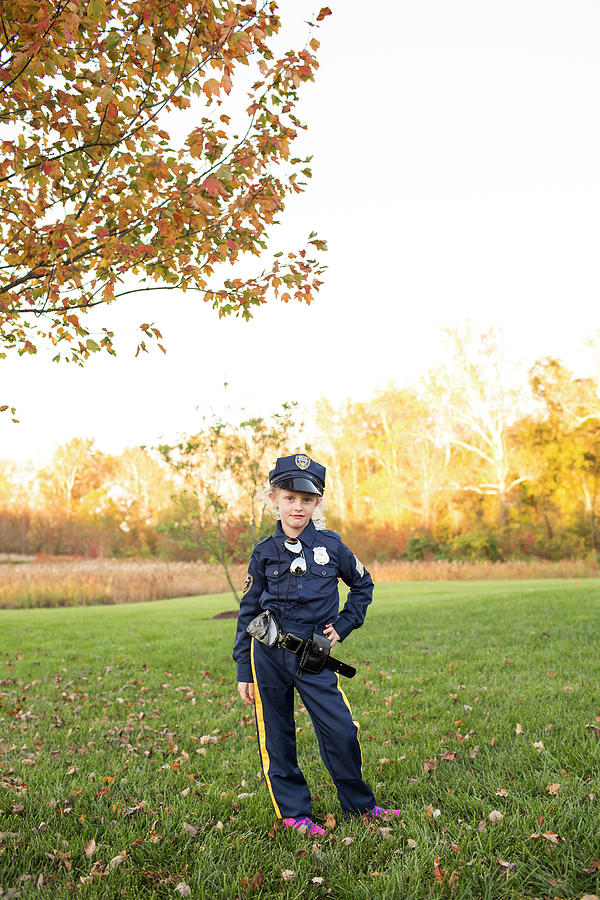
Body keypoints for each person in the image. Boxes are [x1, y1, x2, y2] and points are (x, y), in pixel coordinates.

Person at [233, 453, 401, 835]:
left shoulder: (332, 546)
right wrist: (245, 667)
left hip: (314, 656)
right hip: (269, 654)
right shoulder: (263, 552)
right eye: (289, 497)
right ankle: (295, 813)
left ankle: (361, 806)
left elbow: (363, 584)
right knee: (278, 735)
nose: (297, 506)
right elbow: (247, 612)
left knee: (340, 729)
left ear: (317, 503)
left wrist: (342, 626)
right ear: (274, 499)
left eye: (306, 499)